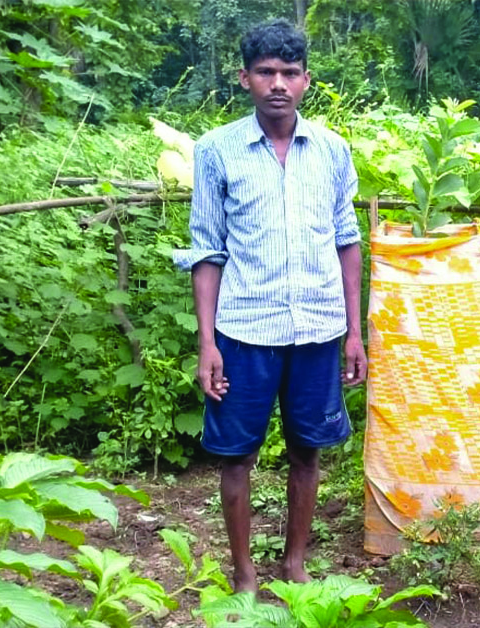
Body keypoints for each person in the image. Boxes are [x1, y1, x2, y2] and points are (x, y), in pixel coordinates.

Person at [172, 19, 366, 592]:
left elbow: (346, 241)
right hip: (243, 330)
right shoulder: (216, 152)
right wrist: (208, 344)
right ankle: (244, 573)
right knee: (237, 456)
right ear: (245, 78)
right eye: (265, 72)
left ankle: (294, 563)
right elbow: (208, 251)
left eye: (288, 73)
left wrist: (354, 333)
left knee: (308, 452)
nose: (277, 83)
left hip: (317, 328)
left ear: (306, 80)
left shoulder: (331, 150)